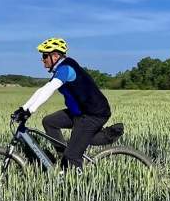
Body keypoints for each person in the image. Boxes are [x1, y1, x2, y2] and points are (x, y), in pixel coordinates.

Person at [11, 38, 117, 170]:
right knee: (50, 122)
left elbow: (50, 89)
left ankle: (77, 177)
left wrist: (29, 111)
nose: (42, 59)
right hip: (79, 112)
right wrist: (23, 108)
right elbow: (43, 89)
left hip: (93, 114)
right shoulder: (60, 68)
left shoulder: (66, 69)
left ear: (55, 56)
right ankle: (64, 159)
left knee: (72, 156)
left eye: (45, 55)